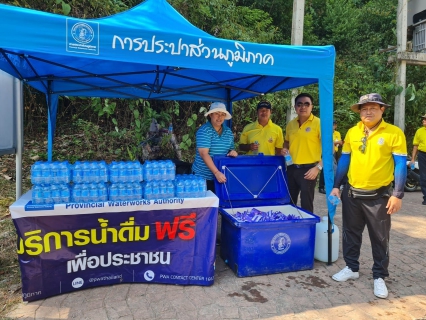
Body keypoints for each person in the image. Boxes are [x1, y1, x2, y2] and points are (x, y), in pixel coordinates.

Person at [329, 93, 407, 299]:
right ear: (359, 111)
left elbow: (400, 164)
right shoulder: (353, 132)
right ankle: (351, 268)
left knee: (380, 238)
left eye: (373, 107)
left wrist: (398, 194)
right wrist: (337, 186)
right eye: (364, 108)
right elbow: (344, 160)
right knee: (350, 233)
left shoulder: (394, 133)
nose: (368, 111)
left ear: (382, 109)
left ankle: (379, 276)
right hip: (352, 193)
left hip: (379, 196)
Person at [281, 93, 322, 213]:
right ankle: (291, 229)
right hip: (292, 168)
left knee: (306, 204)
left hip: (309, 170)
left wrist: (318, 168)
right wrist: (284, 149)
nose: (303, 107)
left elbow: (328, 150)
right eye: (299, 104)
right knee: (289, 202)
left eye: (306, 104)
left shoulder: (319, 124)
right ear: (295, 107)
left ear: (312, 106)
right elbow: (286, 142)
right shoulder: (291, 124)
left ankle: (307, 231)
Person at [192, 102, 238, 193]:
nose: (220, 117)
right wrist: (216, 172)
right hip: (203, 177)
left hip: (221, 176)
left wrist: (233, 152)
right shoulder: (204, 130)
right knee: (206, 205)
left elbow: (231, 149)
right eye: (217, 114)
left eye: (222, 114)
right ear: (210, 115)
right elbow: (203, 153)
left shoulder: (228, 132)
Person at [319, 120, 342, 194]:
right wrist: (336, 142)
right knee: (323, 169)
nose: (333, 126)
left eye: (334, 125)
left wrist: (335, 142)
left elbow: (340, 142)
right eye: (331, 125)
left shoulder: (337, 133)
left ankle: (332, 186)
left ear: (336, 126)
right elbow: (328, 142)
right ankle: (321, 187)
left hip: (334, 153)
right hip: (325, 153)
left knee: (333, 169)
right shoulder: (325, 132)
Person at [410, 113, 426, 205]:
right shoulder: (419, 131)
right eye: (423, 119)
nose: (423, 120)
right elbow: (415, 146)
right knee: (423, 177)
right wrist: (413, 159)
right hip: (422, 155)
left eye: (425, 119)